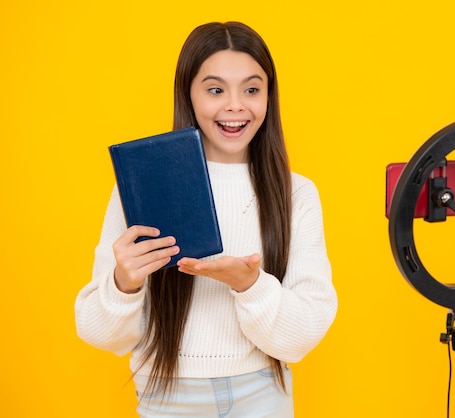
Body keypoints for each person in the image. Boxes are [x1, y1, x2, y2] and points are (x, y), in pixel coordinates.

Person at [75, 21, 338, 417]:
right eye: (215, 89)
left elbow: (301, 337)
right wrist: (123, 284)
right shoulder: (141, 184)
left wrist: (249, 285)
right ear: (189, 94)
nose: (235, 105)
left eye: (251, 89)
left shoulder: (296, 193)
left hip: (262, 394)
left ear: (269, 96)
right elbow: (97, 332)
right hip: (166, 395)